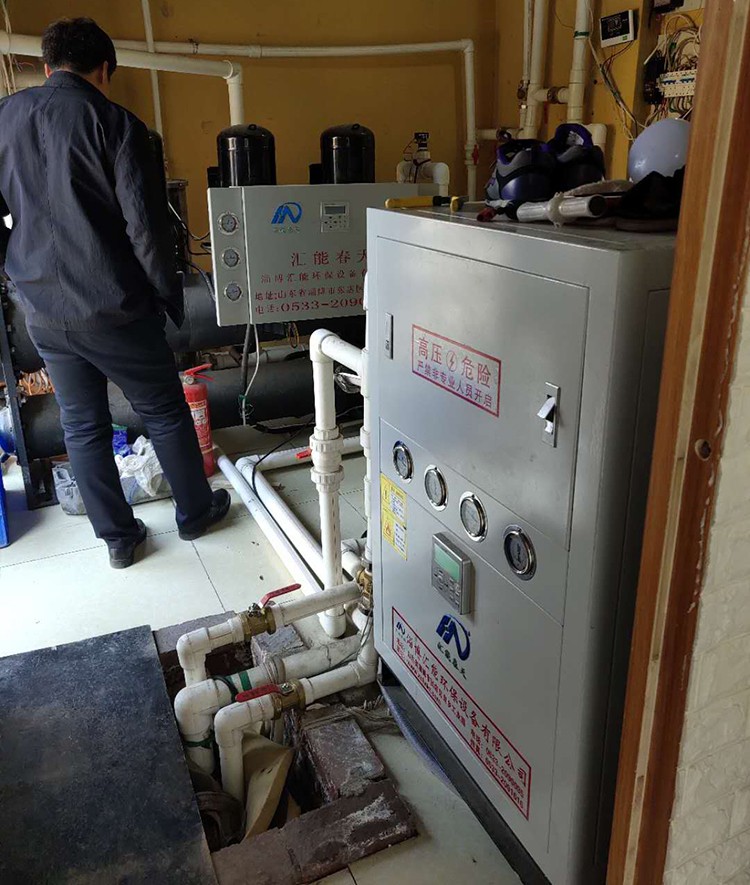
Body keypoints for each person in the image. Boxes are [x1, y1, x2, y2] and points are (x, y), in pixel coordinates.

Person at [0, 18, 230, 568]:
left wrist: (13, 268)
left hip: (41, 309)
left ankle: (120, 540)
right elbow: (146, 228)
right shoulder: (117, 124)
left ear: (47, 66)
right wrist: (166, 297)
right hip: (114, 305)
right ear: (104, 69)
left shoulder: (4, 118)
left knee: (82, 424)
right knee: (164, 411)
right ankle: (195, 514)